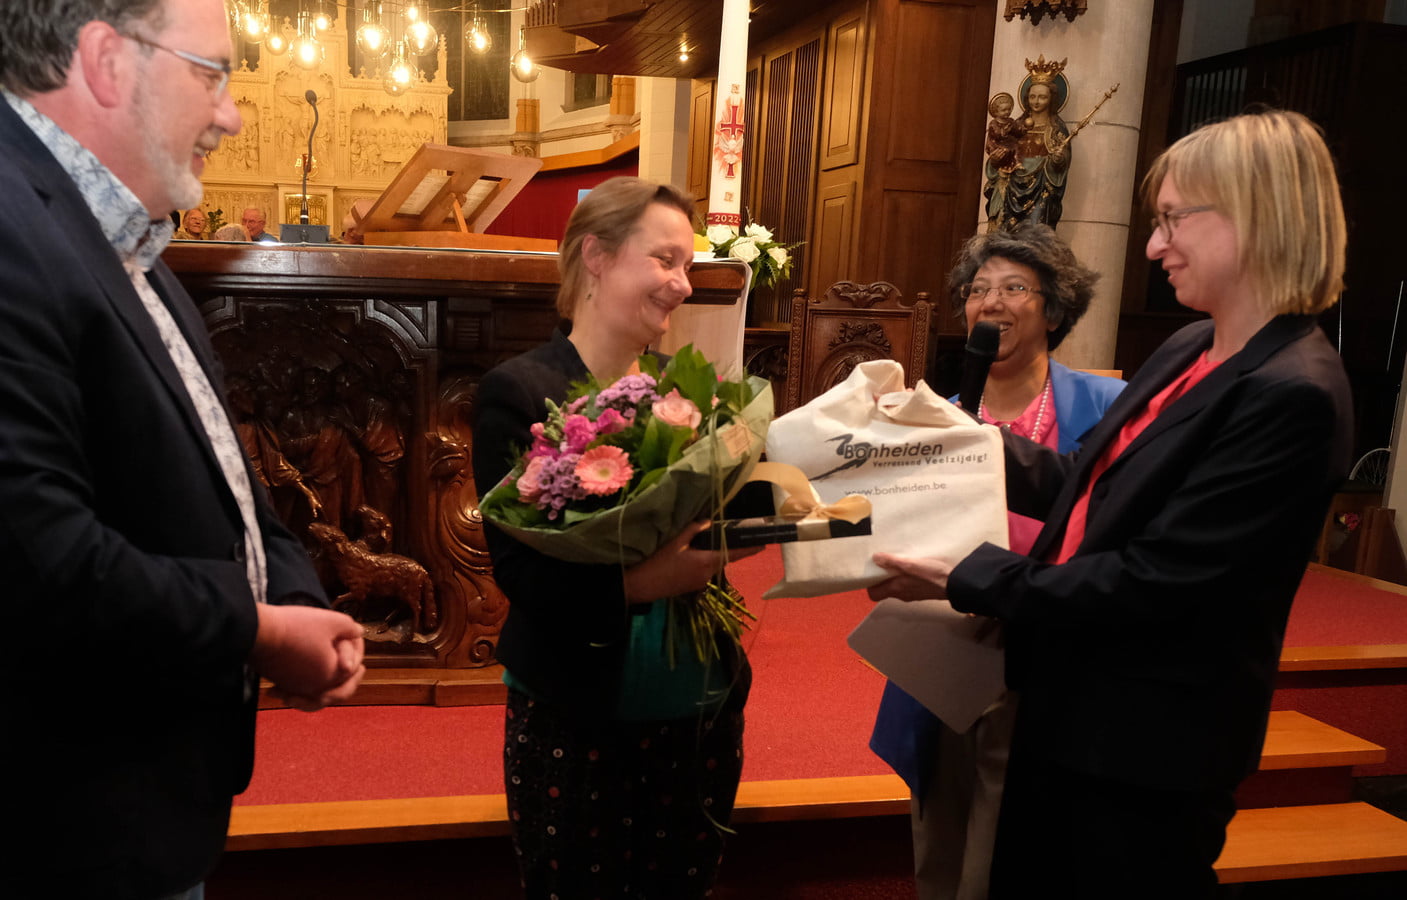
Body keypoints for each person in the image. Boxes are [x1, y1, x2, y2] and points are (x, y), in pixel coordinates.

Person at [870, 108, 1352, 899]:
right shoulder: (1191, 345)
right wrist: (959, 441)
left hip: (1143, 743)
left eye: (1172, 219)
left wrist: (967, 577)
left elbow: (1157, 584)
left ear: (1255, 215)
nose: (1154, 246)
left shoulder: (1291, 392)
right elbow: (1083, 480)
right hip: (1067, 703)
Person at [0, 2, 367, 897]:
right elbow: (38, 559)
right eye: (212, 75)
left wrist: (291, 589)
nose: (231, 115)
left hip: (132, 804)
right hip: (52, 823)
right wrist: (259, 630)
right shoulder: (12, 227)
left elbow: (220, 472)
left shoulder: (127, 243)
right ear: (105, 60)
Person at [471, 177, 763, 899]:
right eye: (665, 260)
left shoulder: (684, 388)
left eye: (686, 265)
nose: (683, 284)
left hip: (698, 709)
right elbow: (520, 572)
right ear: (596, 256)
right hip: (576, 712)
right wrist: (642, 584)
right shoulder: (519, 391)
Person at [869, 224, 1123, 900]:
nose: (991, 303)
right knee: (941, 837)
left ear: (1054, 309)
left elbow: (1111, 526)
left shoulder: (1105, 407)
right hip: (942, 639)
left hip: (1046, 641)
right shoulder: (937, 416)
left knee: (1011, 846)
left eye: (1014, 288)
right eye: (977, 290)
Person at [987, 78, 1070, 233]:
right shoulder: (1014, 126)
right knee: (1005, 234)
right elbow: (998, 150)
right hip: (1011, 186)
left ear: (1051, 99)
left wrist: (1057, 160)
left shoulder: (1056, 129)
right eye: (1032, 97)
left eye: (1042, 97)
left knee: (1034, 234)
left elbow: (1062, 162)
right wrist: (995, 160)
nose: (1036, 102)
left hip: (1040, 189)